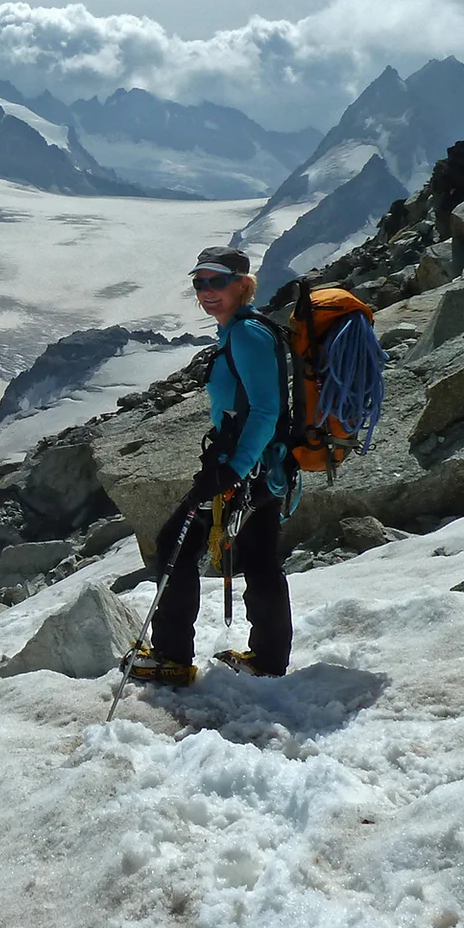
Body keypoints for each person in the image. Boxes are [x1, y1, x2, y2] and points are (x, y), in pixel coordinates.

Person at [133, 245, 293, 686]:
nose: (206, 291)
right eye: (199, 282)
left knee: (175, 544)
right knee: (259, 558)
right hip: (264, 467)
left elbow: (264, 410)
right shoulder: (241, 329)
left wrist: (233, 470)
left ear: (243, 284)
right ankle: (269, 660)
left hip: (244, 469)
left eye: (217, 281)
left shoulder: (246, 334)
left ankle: (171, 657)